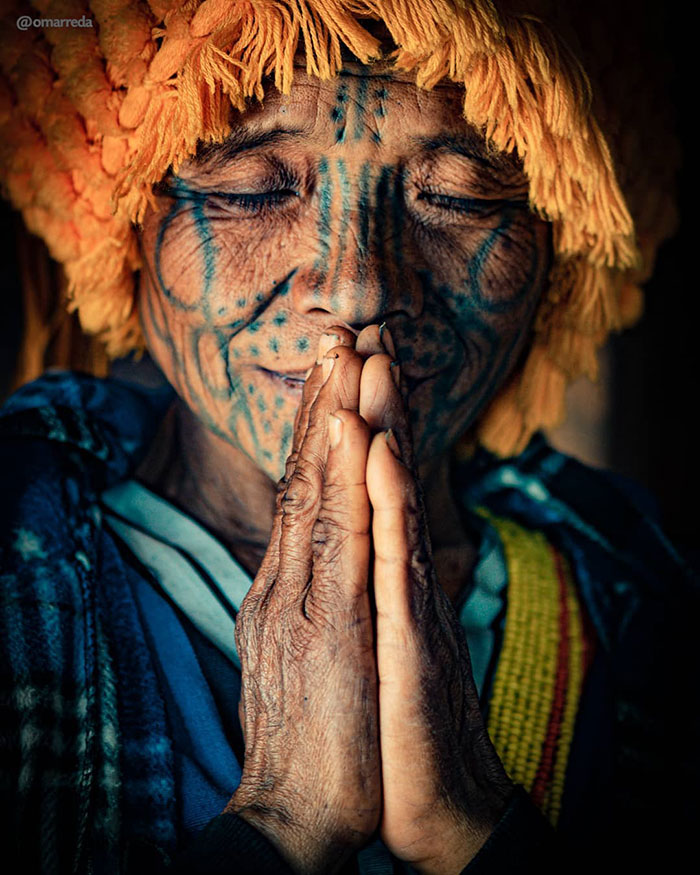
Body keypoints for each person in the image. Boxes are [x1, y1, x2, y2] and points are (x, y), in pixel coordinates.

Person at [0, 2, 696, 874]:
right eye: (253, 191)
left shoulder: (644, 601)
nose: (360, 286)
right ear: (125, 232)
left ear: (558, 245)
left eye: (458, 196)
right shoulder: (17, 573)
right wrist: (283, 823)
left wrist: (477, 825)